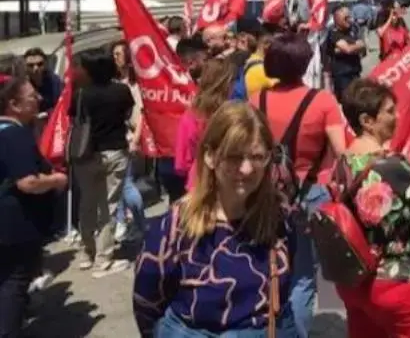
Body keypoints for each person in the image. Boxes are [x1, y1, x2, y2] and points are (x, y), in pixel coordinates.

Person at [133, 102, 299, 336]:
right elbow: (147, 302)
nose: (247, 168)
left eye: (257, 156)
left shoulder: (280, 218)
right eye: (234, 157)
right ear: (210, 157)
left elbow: (285, 286)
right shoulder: (175, 226)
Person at [248, 33, 347, 337]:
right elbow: (342, 152)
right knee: (303, 276)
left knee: (267, 268)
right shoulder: (323, 101)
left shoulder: (255, 100)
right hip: (311, 193)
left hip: (264, 194)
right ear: (305, 63)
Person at [333, 79, 410, 337]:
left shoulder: (342, 163)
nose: (397, 116)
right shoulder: (392, 166)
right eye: (389, 111)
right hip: (394, 280)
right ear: (366, 120)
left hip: (355, 278)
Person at [0, 74, 68, 337]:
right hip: (14, 225)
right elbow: (27, 182)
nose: (39, 98)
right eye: (31, 97)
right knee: (14, 282)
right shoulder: (14, 135)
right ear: (14, 105)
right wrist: (56, 180)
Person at [67, 49, 134, 275]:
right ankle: (103, 259)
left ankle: (87, 253)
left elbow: (72, 120)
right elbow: (127, 115)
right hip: (115, 151)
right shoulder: (122, 90)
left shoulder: (81, 94)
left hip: (86, 155)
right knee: (109, 207)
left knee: (87, 204)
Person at [179, 58, 237, 195]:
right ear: (226, 83)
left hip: (198, 182)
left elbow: (182, 162)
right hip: (230, 182)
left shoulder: (190, 115)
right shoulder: (234, 114)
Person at [111, 40, 146, 244]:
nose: (116, 57)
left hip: (130, 136)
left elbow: (141, 114)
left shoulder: (136, 84)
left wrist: (137, 139)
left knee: (126, 183)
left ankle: (140, 224)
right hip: (118, 134)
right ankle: (122, 222)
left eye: (119, 53)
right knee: (121, 183)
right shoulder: (114, 82)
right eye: (114, 54)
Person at [324, 6, 365, 101]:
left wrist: (350, 47)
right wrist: (354, 46)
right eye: (346, 18)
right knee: (346, 101)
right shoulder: (333, 32)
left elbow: (363, 45)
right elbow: (348, 49)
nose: (349, 20)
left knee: (358, 99)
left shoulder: (353, 28)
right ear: (337, 18)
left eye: (349, 17)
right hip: (342, 75)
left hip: (355, 72)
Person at [23, 48, 62, 114]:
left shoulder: (54, 81)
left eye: (39, 64)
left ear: (45, 64)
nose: (35, 68)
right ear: (25, 66)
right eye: (31, 65)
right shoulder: (22, 84)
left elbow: (60, 106)